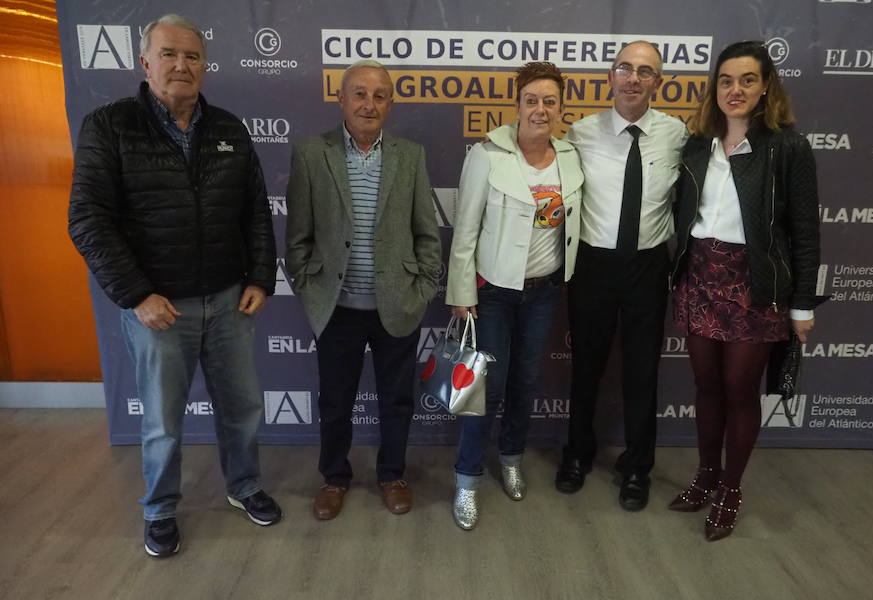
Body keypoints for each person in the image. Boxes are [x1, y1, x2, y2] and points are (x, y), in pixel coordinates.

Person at [68, 14, 281, 558]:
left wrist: (260, 274)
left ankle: (245, 486)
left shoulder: (229, 128)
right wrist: (137, 293)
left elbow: (255, 210)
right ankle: (160, 509)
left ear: (205, 67)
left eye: (191, 57)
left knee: (242, 407)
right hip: (157, 308)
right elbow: (88, 219)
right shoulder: (109, 126)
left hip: (231, 301)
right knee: (163, 421)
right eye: (169, 55)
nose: (181, 66)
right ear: (145, 62)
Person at [668, 41, 827, 541]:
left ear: (765, 88)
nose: (735, 91)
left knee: (740, 390)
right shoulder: (697, 144)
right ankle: (706, 475)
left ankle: (731, 489)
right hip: (700, 276)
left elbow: (805, 231)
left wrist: (801, 304)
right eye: (726, 81)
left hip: (756, 285)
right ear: (714, 88)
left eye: (747, 80)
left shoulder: (788, 147)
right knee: (707, 386)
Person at [285, 59, 441, 521]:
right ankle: (334, 478)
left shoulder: (410, 155)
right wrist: (309, 288)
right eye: (359, 93)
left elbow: (426, 233)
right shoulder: (312, 153)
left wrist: (421, 287)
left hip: (396, 305)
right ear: (342, 98)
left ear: (390, 103)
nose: (369, 104)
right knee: (335, 401)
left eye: (379, 95)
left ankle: (392, 474)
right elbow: (298, 237)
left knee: (397, 399)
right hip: (336, 308)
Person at [446, 62, 583, 530]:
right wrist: (461, 291)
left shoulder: (570, 156)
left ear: (561, 109)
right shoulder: (487, 156)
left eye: (549, 101)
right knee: (486, 388)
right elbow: (464, 231)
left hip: (545, 292)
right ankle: (466, 479)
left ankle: (510, 456)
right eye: (531, 100)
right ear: (518, 105)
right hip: (495, 294)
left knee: (525, 382)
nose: (540, 109)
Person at [555, 41, 689, 511]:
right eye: (625, 69)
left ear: (658, 82)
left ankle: (636, 467)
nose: (633, 78)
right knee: (586, 367)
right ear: (610, 76)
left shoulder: (676, 134)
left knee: (641, 372)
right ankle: (577, 453)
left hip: (648, 266)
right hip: (592, 265)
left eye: (645, 71)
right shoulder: (580, 132)